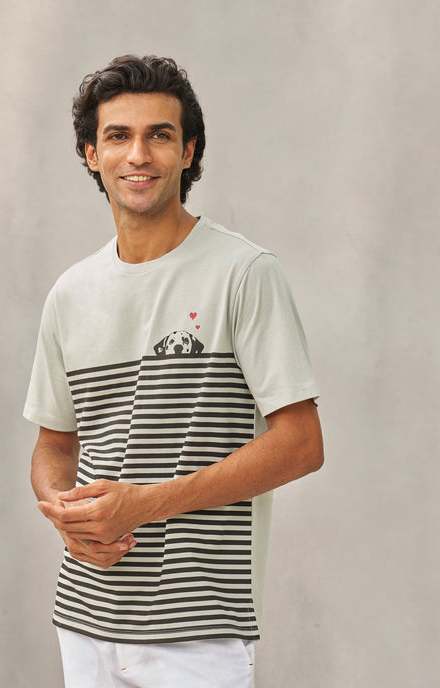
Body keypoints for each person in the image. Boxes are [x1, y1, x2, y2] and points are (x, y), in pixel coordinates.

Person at [24, 54, 324, 688]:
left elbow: (302, 445)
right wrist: (63, 512)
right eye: (118, 136)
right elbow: (53, 445)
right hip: (84, 617)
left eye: (159, 135)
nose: (139, 154)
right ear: (91, 154)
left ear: (188, 152)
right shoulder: (69, 294)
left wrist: (143, 506)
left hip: (199, 628)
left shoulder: (244, 273)